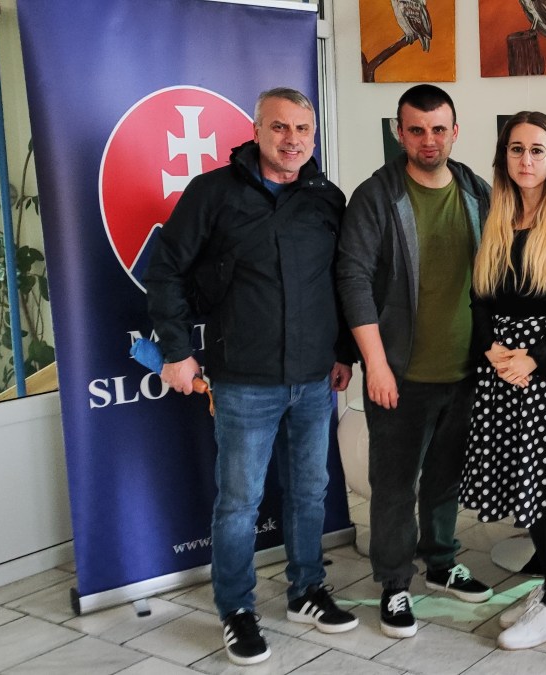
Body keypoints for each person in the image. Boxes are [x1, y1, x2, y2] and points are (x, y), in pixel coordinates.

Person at [143, 87, 358, 667]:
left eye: (303, 129)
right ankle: (236, 609)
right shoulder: (213, 193)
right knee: (239, 502)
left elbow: (340, 282)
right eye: (279, 127)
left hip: (314, 378)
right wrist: (176, 350)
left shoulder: (326, 198)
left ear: (314, 135)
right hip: (243, 380)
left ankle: (306, 591)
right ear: (257, 130)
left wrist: (342, 351)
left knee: (310, 491)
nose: (292, 140)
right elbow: (166, 271)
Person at [335, 84, 494, 639]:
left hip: (465, 370)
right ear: (399, 133)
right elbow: (353, 279)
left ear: (455, 131)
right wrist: (375, 364)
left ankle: (442, 562)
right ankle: (395, 583)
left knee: (446, 478)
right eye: (417, 130)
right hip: (399, 373)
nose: (429, 140)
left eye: (439, 129)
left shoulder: (475, 189)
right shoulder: (375, 196)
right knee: (395, 485)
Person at [459, 112, 546, 650]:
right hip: (499, 367)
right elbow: (479, 297)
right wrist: (490, 348)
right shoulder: (492, 216)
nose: (526, 159)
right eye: (516, 149)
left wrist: (534, 359)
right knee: (524, 484)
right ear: (503, 158)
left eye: (537, 149)